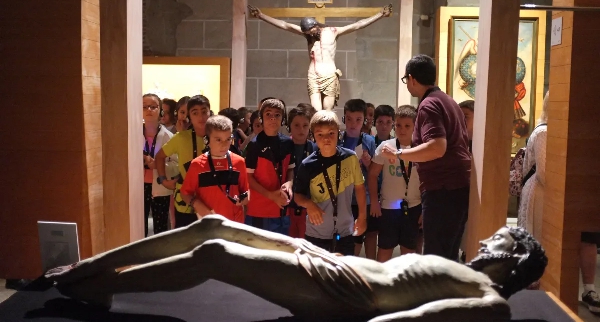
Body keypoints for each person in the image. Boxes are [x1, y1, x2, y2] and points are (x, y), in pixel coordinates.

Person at [45, 220, 547, 322]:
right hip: (333, 264)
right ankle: (94, 264)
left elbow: (416, 320)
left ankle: (98, 286)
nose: (485, 240)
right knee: (213, 225)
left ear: (514, 256)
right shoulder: (461, 268)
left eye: (499, 238)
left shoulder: (491, 300)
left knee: (215, 254)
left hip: (342, 292)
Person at [381, 54, 471, 261]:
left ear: (412, 79)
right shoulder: (448, 100)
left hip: (443, 189)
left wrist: (399, 153)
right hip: (456, 187)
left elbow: (437, 148)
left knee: (436, 257)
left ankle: (438, 294)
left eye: (406, 80)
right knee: (448, 255)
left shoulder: (429, 104)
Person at [248, 4, 392, 111]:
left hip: (329, 74)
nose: (311, 35)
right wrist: (261, 15)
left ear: (316, 25)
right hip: (313, 76)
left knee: (327, 111)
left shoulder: (333, 31)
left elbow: (358, 25)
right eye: (308, 33)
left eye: (312, 31)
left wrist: (380, 14)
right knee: (316, 111)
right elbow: (285, 25)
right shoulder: (307, 35)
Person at [293, 110, 367, 255]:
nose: (326, 138)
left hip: (345, 231)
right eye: (320, 134)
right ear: (313, 136)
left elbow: (359, 188)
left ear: (338, 133)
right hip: (317, 232)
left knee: (343, 275)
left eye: (331, 133)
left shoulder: (350, 158)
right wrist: (309, 204)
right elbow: (298, 196)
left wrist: (362, 217)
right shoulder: (307, 164)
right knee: (316, 275)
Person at [369, 105, 421, 262]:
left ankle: (406, 285)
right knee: (385, 249)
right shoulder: (385, 147)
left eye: (407, 126)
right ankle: (380, 284)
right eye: (398, 125)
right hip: (388, 208)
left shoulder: (421, 148)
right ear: (394, 125)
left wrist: (425, 208)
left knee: (409, 251)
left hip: (414, 207)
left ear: (415, 126)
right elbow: (372, 175)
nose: (402, 130)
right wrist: (374, 202)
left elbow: (429, 181)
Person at [155, 95, 210, 228]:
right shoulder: (181, 138)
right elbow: (159, 156)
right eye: (195, 113)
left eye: (204, 111)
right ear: (190, 116)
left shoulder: (218, 136)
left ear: (210, 112)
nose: (200, 116)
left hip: (211, 199)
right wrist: (163, 180)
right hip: (185, 203)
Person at [244, 99, 294, 234]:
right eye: (268, 114)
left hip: (282, 208)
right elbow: (248, 178)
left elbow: (290, 169)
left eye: (277, 115)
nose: (273, 118)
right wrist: (271, 196)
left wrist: (289, 183)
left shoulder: (288, 143)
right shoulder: (254, 145)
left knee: (281, 253)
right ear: (261, 118)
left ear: (283, 119)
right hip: (260, 210)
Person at [340, 99, 377, 259]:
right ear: (344, 118)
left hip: (363, 197)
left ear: (364, 120)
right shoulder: (339, 140)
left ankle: (352, 266)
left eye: (358, 120)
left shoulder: (368, 141)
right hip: (343, 196)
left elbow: (375, 172)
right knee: (343, 235)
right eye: (349, 119)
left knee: (359, 235)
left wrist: (368, 164)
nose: (353, 124)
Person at [142, 93, 175, 236]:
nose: (149, 109)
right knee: (138, 224)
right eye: (145, 106)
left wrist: (158, 165)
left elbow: (176, 164)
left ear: (160, 111)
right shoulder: (132, 134)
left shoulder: (169, 136)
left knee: (160, 226)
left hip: (160, 185)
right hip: (139, 186)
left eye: (153, 107)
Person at [517, 91, 548, 239]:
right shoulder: (544, 132)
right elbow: (544, 172)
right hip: (540, 190)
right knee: (538, 238)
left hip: (540, 189)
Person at [286, 106, 316, 239]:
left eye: (305, 125)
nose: (301, 129)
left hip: (308, 206)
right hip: (286, 207)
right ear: (289, 126)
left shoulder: (315, 148)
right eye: (296, 125)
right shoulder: (283, 146)